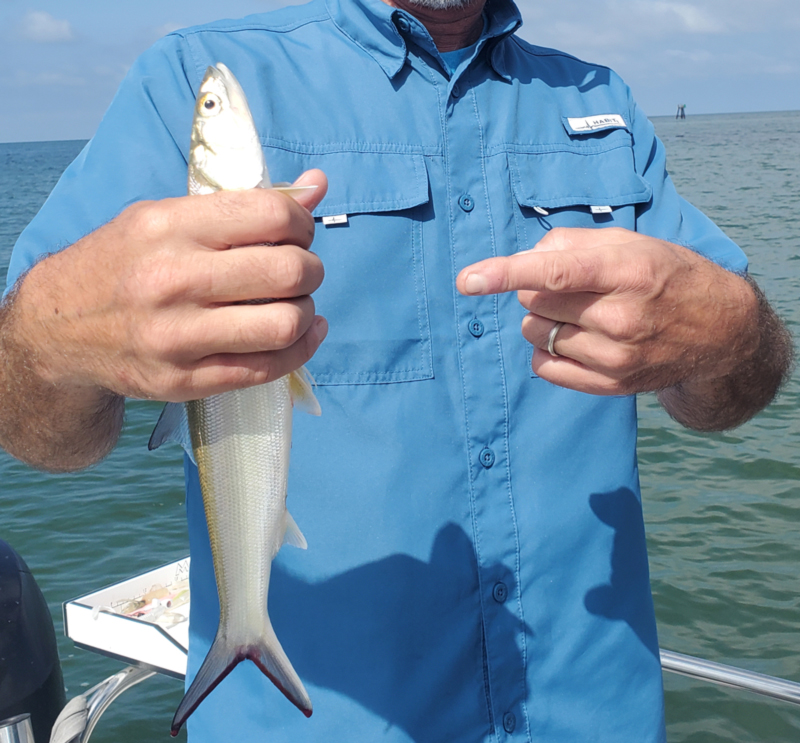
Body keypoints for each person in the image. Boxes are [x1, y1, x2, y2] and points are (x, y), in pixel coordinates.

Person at [0, 0, 793, 739]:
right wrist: (50, 335)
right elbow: (35, 431)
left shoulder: (602, 101)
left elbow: (731, 393)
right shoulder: (194, 78)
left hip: (599, 714)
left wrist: (732, 330)